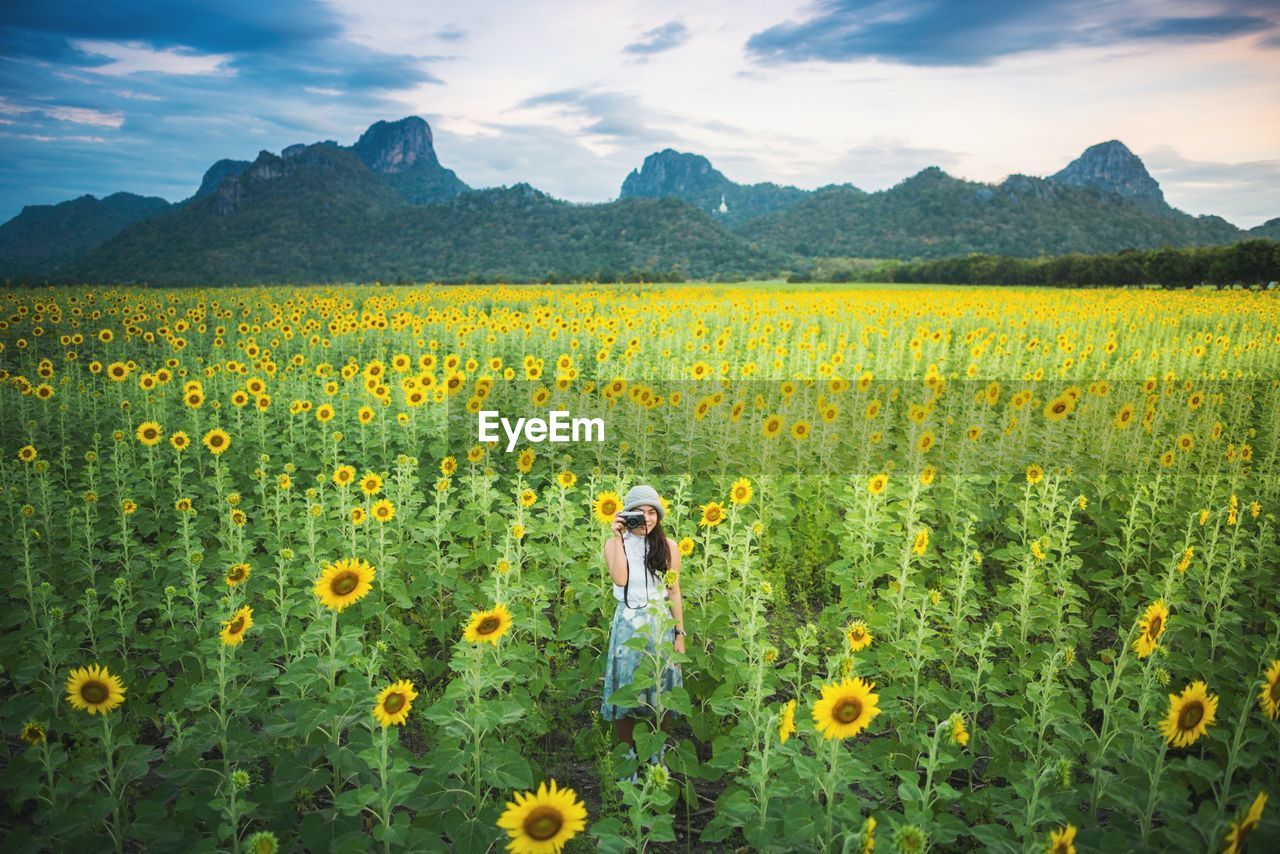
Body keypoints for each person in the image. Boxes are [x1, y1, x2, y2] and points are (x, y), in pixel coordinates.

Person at [600, 484, 686, 778]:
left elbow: (674, 593)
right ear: (627, 515)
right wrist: (618, 538)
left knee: (660, 694)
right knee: (626, 695)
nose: (646, 519)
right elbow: (621, 579)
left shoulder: (669, 547)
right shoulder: (614, 544)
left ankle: (655, 757)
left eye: (652, 513)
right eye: (639, 513)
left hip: (659, 626)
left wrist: (679, 635)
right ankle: (627, 760)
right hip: (627, 626)